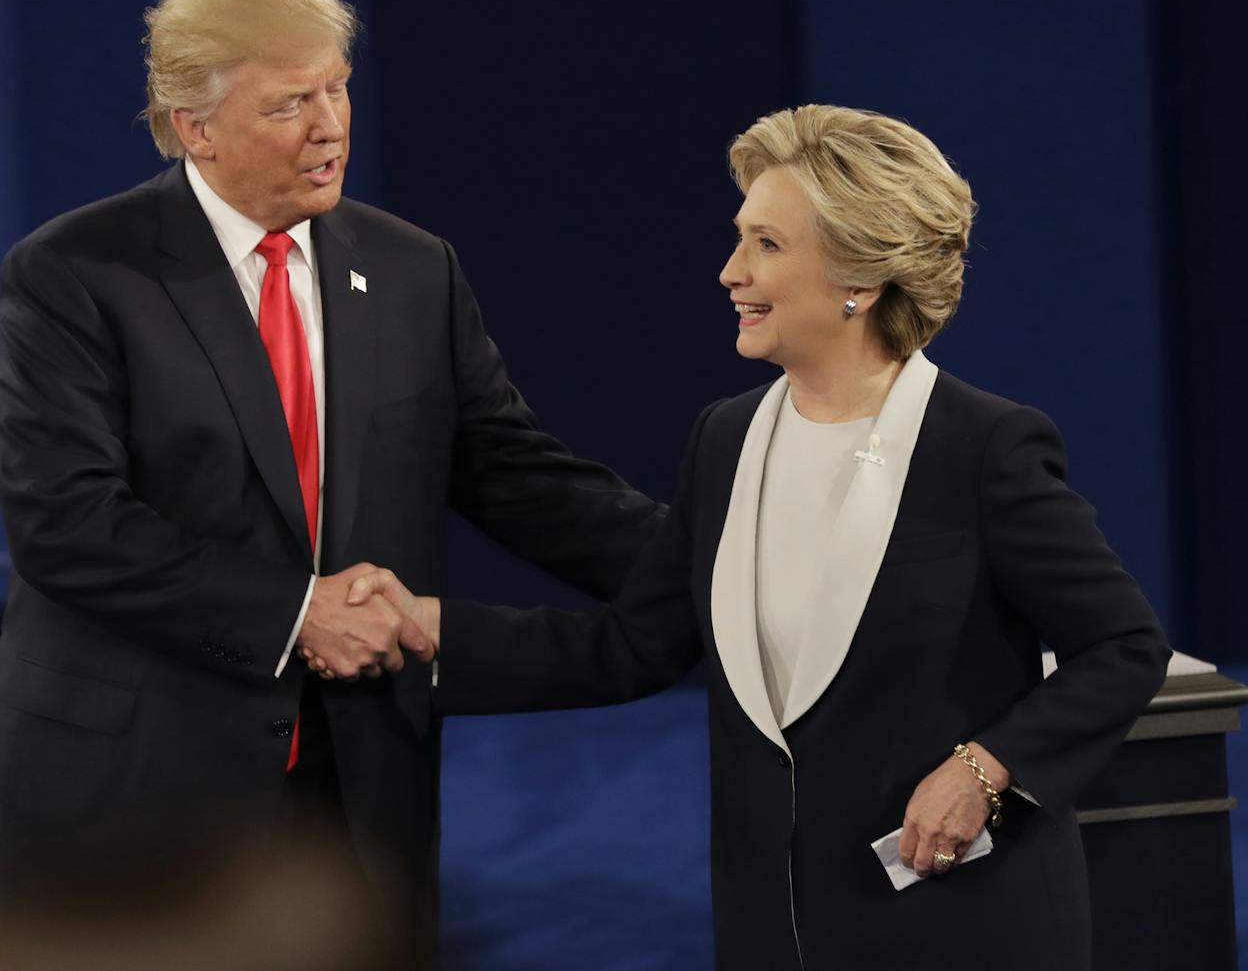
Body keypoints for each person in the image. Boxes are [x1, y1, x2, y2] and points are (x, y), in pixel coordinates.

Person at [350, 105, 1172, 970]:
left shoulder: (984, 448)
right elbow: (634, 645)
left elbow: (1121, 645)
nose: (730, 271)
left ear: (860, 272)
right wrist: (432, 628)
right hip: (774, 933)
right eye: (741, 239)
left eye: (767, 245)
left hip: (959, 925)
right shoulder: (726, 439)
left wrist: (985, 769)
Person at [0, 0, 662, 964]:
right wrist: (297, 611)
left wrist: (711, 562)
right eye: (290, 102)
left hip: (353, 770)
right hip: (134, 770)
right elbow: (64, 522)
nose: (330, 123)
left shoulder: (413, 267)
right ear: (194, 125)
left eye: (333, 86)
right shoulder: (76, 272)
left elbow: (512, 472)